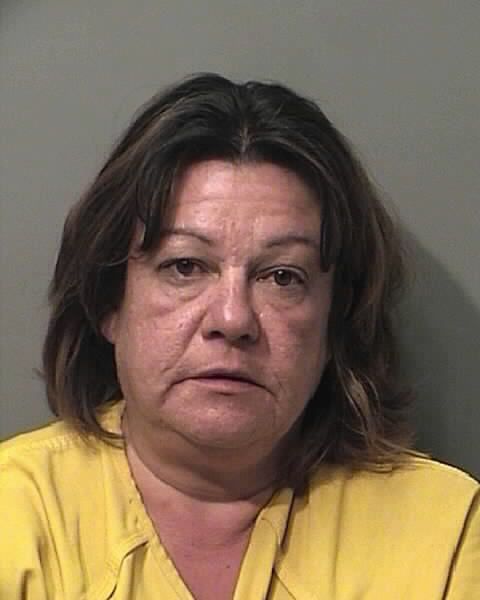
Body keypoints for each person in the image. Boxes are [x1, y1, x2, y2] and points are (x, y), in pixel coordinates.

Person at [0, 73, 478, 600]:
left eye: (283, 277)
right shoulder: (14, 516)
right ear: (110, 301)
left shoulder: (444, 535)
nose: (232, 319)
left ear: (336, 318)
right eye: (185, 266)